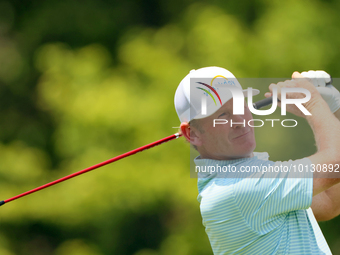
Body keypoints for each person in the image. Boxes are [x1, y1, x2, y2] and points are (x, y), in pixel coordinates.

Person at [174, 66, 340, 254]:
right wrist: (314, 105)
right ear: (192, 133)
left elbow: (329, 203)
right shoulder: (238, 187)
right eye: (222, 114)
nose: (239, 120)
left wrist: (333, 108)